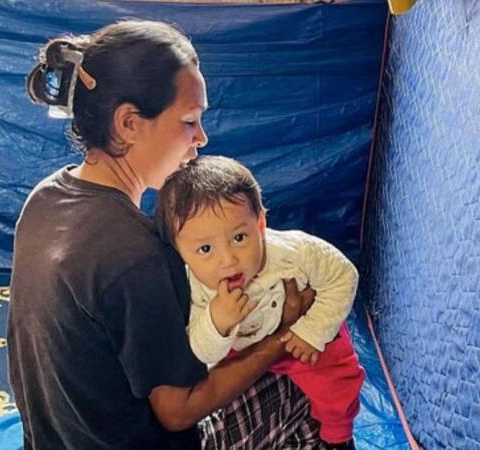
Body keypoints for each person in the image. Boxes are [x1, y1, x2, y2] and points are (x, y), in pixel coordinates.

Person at [7, 20, 319, 449]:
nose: (201, 139)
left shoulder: (45, 198)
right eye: (189, 121)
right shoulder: (136, 255)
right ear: (129, 123)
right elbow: (178, 413)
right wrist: (284, 335)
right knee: (300, 393)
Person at [155, 156, 366, 449]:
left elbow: (343, 276)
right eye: (205, 249)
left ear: (261, 224)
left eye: (239, 237)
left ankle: (338, 438)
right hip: (242, 353)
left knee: (339, 379)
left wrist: (311, 332)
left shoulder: (294, 252)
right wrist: (217, 323)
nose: (228, 260)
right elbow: (203, 353)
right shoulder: (195, 287)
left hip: (301, 334)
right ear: (180, 253)